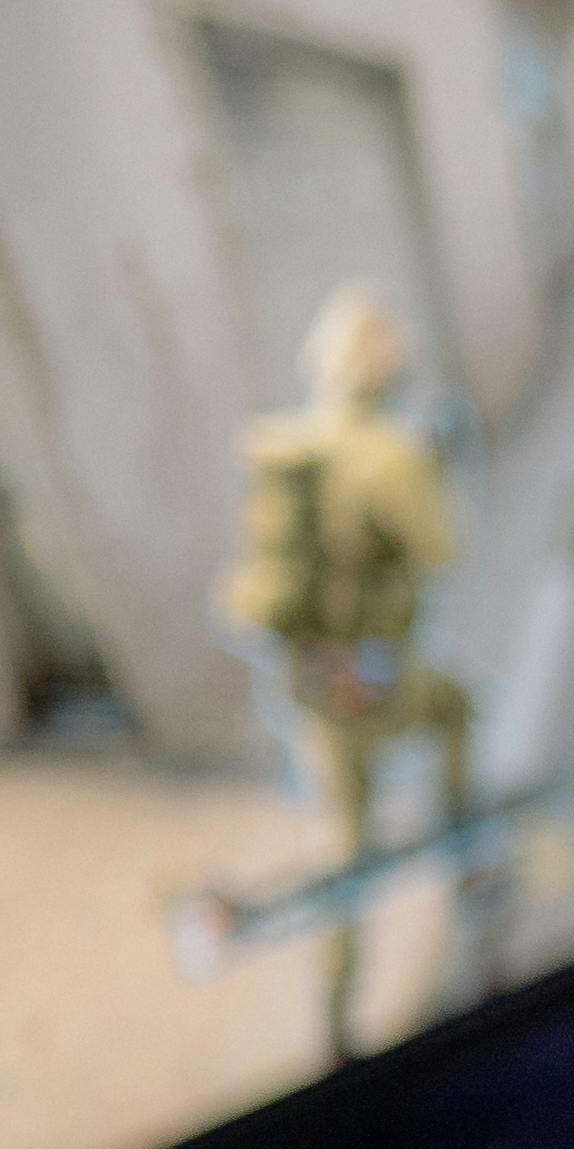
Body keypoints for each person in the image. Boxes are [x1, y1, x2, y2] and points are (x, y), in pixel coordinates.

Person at [225, 284, 477, 1049]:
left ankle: (336, 1024)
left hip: (310, 683)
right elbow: (443, 552)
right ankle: (472, 869)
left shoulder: (290, 449)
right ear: (381, 368)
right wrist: (437, 468)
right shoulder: (391, 455)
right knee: (460, 714)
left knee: (345, 846)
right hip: (376, 679)